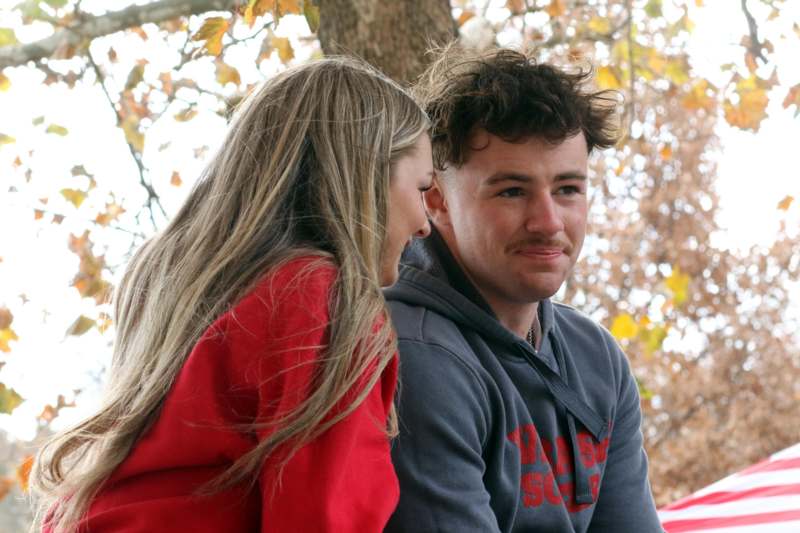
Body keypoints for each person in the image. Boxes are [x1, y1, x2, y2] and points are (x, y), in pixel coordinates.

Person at [31, 57, 433, 533]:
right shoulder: (323, 295)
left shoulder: (175, 278)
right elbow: (323, 517)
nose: (426, 222)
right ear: (364, 177)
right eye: (422, 188)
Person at [384, 46, 663, 532]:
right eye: (512, 191)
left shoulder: (595, 357)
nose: (548, 222)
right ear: (436, 199)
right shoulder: (410, 355)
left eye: (568, 189)